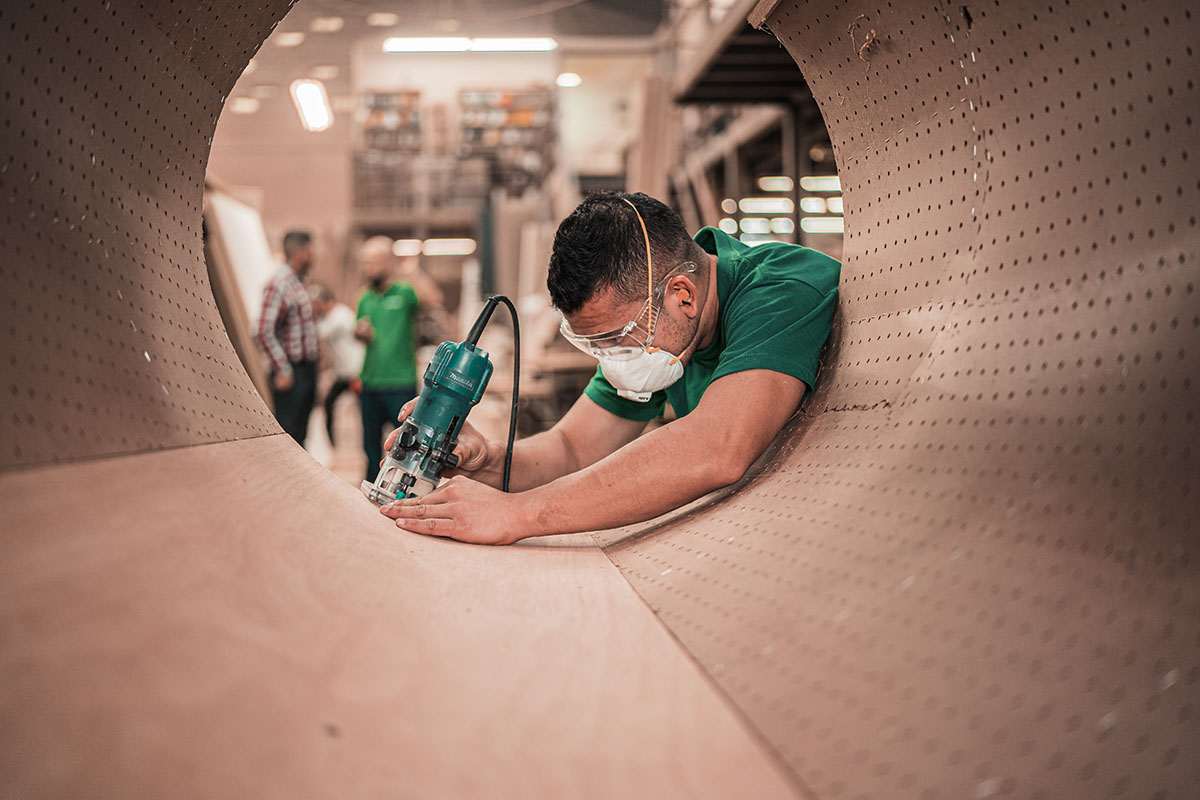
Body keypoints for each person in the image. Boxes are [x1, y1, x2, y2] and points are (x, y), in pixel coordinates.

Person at [379, 192, 841, 545]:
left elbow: (717, 447)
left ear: (683, 295)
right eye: (594, 344)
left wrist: (519, 514)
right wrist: (487, 462)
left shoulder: (780, 289)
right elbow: (572, 449)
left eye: (617, 338)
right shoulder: (659, 335)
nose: (614, 356)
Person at [355, 236, 422, 482]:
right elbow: (361, 332)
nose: (367, 269)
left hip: (400, 382)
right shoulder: (364, 298)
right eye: (364, 263)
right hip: (371, 383)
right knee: (371, 448)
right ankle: (372, 492)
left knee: (405, 447)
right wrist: (359, 333)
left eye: (372, 262)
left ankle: (401, 491)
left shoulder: (405, 293)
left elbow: (433, 299)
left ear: (388, 263)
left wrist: (410, 270)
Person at [256, 229, 320, 445]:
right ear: (300, 253)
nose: (314, 255)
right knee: (289, 434)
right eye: (311, 250)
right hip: (292, 373)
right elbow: (263, 329)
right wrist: (282, 368)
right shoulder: (279, 283)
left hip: (307, 370)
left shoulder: (298, 282)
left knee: (301, 435)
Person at [309, 284, 364, 446]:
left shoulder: (340, 316)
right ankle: (332, 444)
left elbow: (318, 333)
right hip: (343, 374)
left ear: (326, 302)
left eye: (317, 304)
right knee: (328, 403)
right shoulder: (331, 317)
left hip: (355, 372)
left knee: (364, 410)